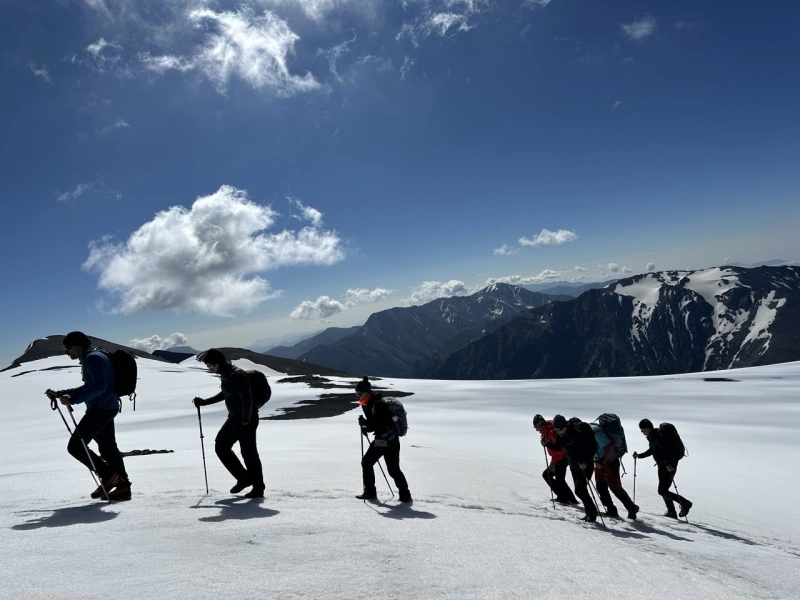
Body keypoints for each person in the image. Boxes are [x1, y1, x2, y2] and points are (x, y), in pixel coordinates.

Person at [45, 331, 131, 501]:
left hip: (101, 408)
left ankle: (109, 476)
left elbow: (99, 387)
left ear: (77, 346)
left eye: (67, 348)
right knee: (107, 448)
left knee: (76, 446)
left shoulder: (92, 359)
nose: (66, 351)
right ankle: (123, 486)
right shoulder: (94, 356)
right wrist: (62, 393)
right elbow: (91, 386)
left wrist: (73, 399)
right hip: (106, 406)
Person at [193, 349, 265, 498]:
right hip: (234, 418)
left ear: (218, 362)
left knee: (249, 453)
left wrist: (245, 419)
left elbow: (247, 398)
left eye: (211, 365)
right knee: (221, 446)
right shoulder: (226, 375)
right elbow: (226, 393)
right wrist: (204, 402)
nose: (210, 369)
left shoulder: (237, 375)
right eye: (208, 366)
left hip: (246, 419)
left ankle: (258, 488)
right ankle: (245, 478)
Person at [355, 376, 412, 502]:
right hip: (392, 441)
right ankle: (405, 495)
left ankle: (370, 492)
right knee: (393, 469)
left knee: (367, 462)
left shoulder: (377, 404)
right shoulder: (375, 402)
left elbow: (378, 424)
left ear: (366, 392)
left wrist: (365, 424)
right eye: (356, 394)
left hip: (383, 441)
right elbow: (379, 423)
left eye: (359, 394)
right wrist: (367, 427)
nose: (358, 396)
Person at [633, 419, 692, 518]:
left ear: (648, 428)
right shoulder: (653, 436)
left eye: (642, 429)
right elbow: (652, 450)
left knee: (662, 490)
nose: (642, 432)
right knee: (664, 489)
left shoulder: (659, 437)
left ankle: (685, 503)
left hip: (668, 466)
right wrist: (639, 456)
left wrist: (672, 464)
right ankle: (671, 512)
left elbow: (673, 452)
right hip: (663, 465)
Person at [553, 414, 599, 522]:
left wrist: (585, 462)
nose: (558, 432)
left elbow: (593, 449)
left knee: (579, 490)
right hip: (574, 465)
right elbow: (559, 447)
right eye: (556, 430)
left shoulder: (577, 433)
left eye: (560, 430)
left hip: (585, 465)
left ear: (565, 426)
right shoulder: (560, 436)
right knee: (581, 489)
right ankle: (589, 513)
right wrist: (547, 444)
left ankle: (592, 511)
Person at [591, 422, 639, 519]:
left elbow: (611, 445)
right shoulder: (587, 432)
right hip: (600, 461)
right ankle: (611, 509)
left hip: (609, 461)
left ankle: (632, 508)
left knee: (615, 487)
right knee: (600, 486)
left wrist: (602, 461)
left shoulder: (596, 433)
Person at [533, 414, 578, 505]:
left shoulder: (551, 431)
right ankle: (569, 498)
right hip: (562, 458)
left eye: (537, 428)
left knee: (549, 476)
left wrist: (553, 462)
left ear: (541, 425)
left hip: (562, 458)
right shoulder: (547, 429)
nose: (537, 430)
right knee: (559, 478)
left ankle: (564, 497)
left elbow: (559, 449)